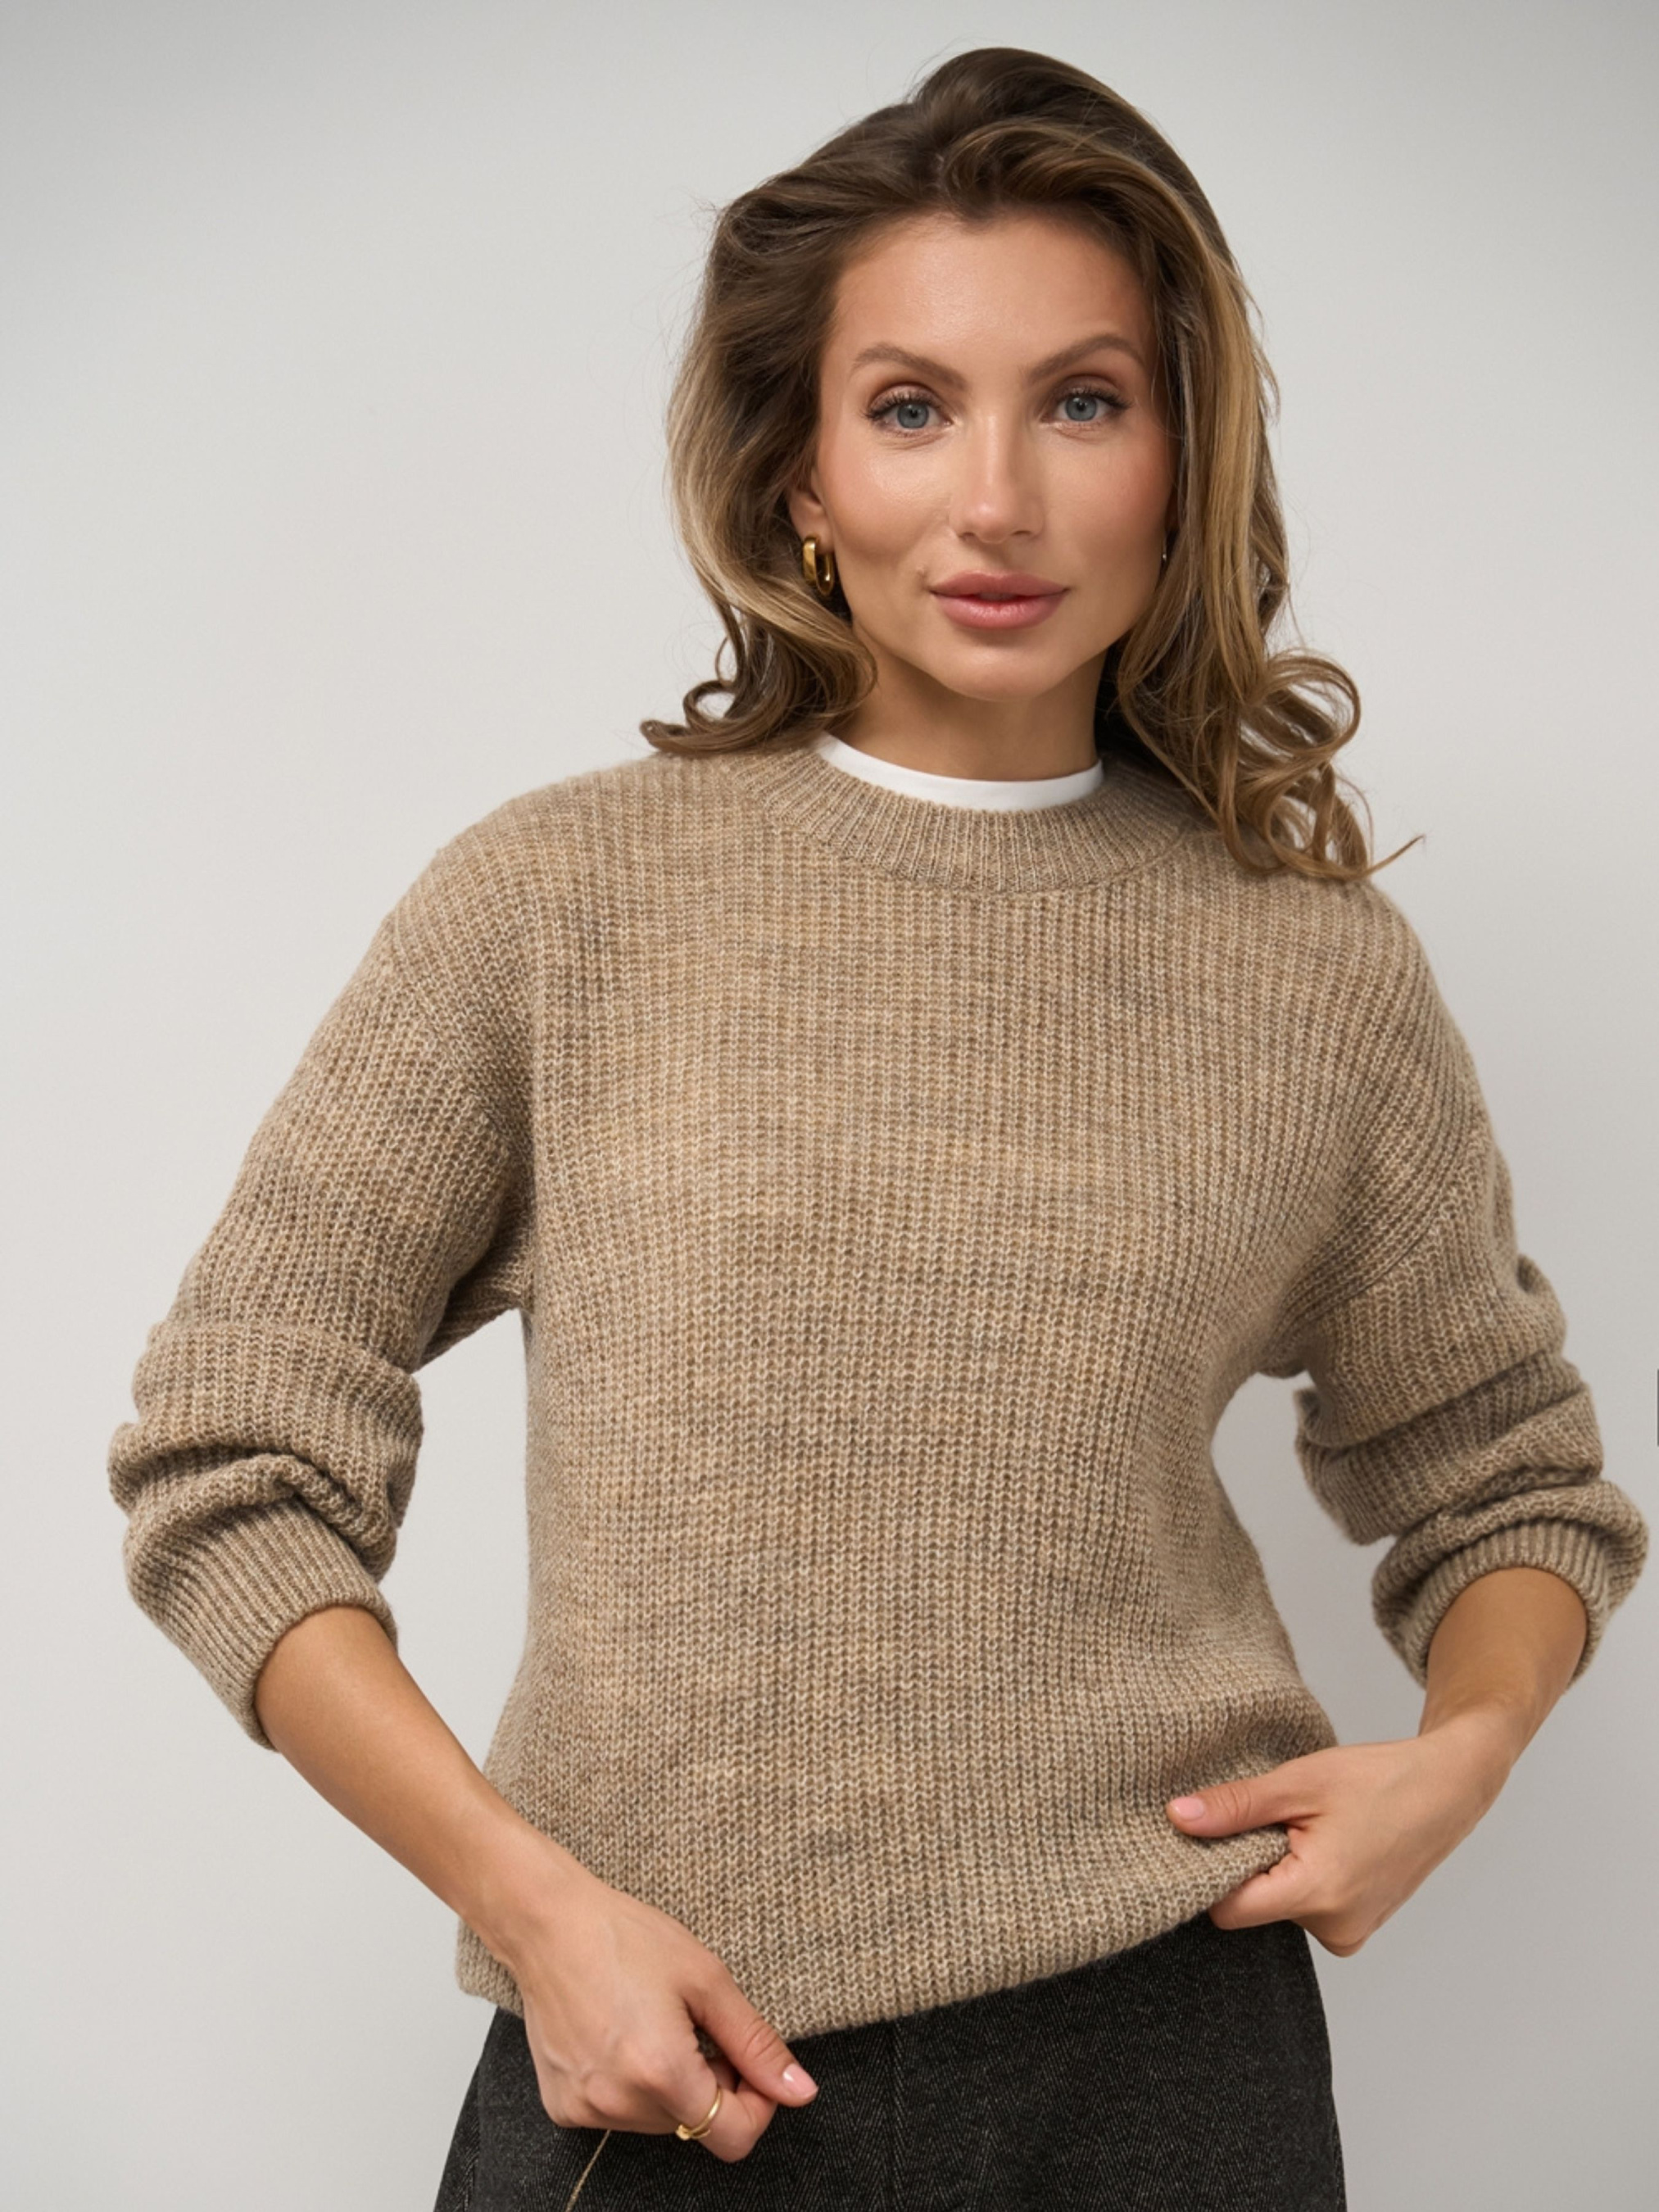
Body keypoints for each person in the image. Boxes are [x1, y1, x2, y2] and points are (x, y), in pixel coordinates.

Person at [108, 46, 1647, 2212]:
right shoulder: (560, 903)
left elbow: (1500, 1477)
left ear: (1181, 462)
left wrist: (1459, 1761)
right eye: (910, 407)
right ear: (800, 476)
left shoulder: (1312, 972)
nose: (995, 499)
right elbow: (228, 1452)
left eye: (1083, 402)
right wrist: (533, 1906)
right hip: (662, 2057)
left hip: (1169, 2060)